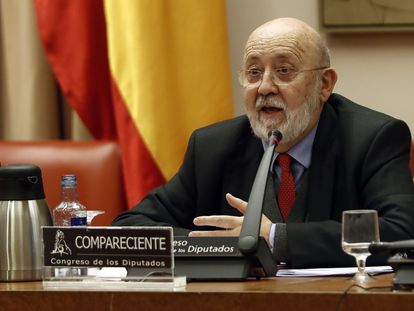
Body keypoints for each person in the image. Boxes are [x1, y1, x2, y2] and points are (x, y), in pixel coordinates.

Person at [113, 17, 414, 268]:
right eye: (254, 73)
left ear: (324, 84)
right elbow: (130, 228)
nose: (265, 87)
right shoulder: (213, 146)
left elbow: (403, 234)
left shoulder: (373, 138)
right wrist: (211, 247)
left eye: (284, 71)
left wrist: (275, 237)